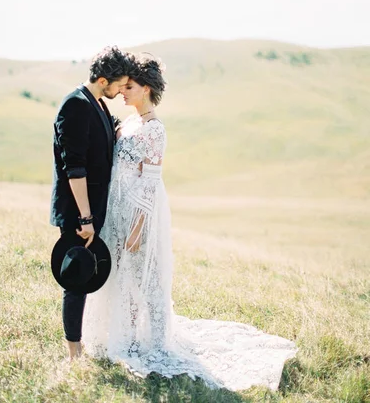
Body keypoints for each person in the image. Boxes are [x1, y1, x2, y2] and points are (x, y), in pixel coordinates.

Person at [83, 54, 297, 391]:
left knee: (145, 278)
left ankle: (152, 341)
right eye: (122, 86)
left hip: (142, 215)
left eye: (130, 87)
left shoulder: (155, 130)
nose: (123, 92)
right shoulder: (127, 123)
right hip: (117, 210)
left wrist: (138, 229)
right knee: (121, 274)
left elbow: (150, 184)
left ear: (147, 89)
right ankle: (124, 335)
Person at [50, 45, 136, 361]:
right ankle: (73, 352)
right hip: (77, 211)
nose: (121, 89)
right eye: (119, 84)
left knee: (86, 275)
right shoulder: (74, 106)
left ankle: (82, 343)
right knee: (75, 277)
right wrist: (85, 218)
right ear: (103, 80)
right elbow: (74, 168)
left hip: (92, 208)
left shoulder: (96, 103)